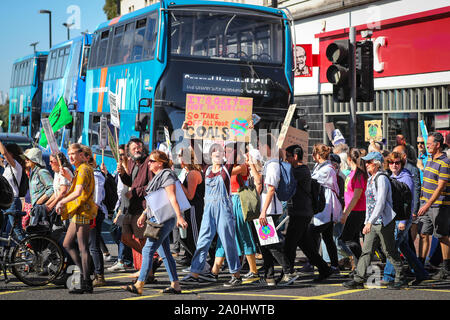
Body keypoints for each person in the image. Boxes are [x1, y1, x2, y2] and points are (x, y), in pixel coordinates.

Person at [122, 150, 188, 295]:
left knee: (147, 250)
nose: (149, 163)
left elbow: (172, 198)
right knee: (165, 253)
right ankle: (175, 285)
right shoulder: (158, 176)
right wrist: (144, 214)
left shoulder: (167, 175)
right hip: (155, 217)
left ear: (160, 163)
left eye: (151, 161)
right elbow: (157, 199)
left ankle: (140, 284)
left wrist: (179, 216)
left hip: (163, 219)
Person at [182, 143, 242, 287]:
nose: (219, 155)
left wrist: (244, 129)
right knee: (202, 241)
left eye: (222, 154)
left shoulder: (227, 169)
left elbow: (237, 146)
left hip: (224, 208)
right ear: (210, 156)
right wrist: (189, 130)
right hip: (208, 208)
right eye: (216, 153)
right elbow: (195, 147)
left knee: (228, 242)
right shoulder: (206, 169)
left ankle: (236, 275)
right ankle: (194, 273)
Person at [343, 151, 406, 290]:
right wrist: (367, 221)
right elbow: (369, 204)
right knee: (366, 251)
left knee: (389, 251)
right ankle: (358, 279)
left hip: (384, 222)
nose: (366, 165)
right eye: (366, 162)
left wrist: (370, 221)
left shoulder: (381, 178)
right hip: (373, 222)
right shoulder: (371, 179)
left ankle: (401, 276)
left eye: (369, 162)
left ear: (377, 164)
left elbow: (380, 203)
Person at [284, 145, 333, 282]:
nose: (285, 159)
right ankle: (324, 269)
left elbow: (286, 179)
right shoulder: (297, 169)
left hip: (301, 213)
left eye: (287, 156)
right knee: (305, 245)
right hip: (300, 212)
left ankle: (288, 272)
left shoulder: (300, 170)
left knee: (289, 244)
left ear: (295, 156)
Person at [211, 142, 259, 282]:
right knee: (223, 235)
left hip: (238, 200)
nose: (226, 154)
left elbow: (224, 172)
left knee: (244, 235)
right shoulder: (227, 165)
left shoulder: (241, 166)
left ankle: (254, 271)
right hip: (227, 201)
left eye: (229, 151)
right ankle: (215, 270)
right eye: (225, 151)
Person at [382, 151, 429, 286]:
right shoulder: (392, 177)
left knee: (393, 247)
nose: (394, 165)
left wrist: (403, 221)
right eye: (391, 163)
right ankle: (421, 272)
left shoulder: (406, 177)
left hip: (402, 218)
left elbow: (408, 201)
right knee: (403, 247)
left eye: (397, 163)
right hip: (395, 217)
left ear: (402, 164)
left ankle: (389, 276)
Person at [56, 143, 97, 294]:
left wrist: (61, 201)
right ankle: (85, 275)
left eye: (74, 153)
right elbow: (80, 185)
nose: (71, 156)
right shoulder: (81, 169)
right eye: (69, 154)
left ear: (81, 154)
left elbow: (79, 192)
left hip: (83, 211)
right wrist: (69, 177)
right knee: (67, 243)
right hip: (79, 212)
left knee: (83, 247)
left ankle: (86, 281)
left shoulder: (84, 169)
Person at [257, 134, 294, 286]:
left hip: (270, 209)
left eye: (260, 145)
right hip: (268, 208)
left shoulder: (272, 165)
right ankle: (269, 276)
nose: (259, 148)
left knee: (270, 243)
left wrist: (263, 212)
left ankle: (289, 271)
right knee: (265, 244)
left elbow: (271, 189)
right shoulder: (270, 163)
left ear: (267, 147)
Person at [117, 138, 154, 279]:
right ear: (129, 152)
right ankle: (151, 262)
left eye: (139, 147)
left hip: (143, 207)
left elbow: (151, 186)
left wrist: (134, 192)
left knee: (143, 240)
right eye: (134, 148)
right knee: (125, 238)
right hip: (131, 207)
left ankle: (148, 272)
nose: (137, 150)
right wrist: (122, 174)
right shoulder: (132, 162)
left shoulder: (148, 163)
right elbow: (130, 181)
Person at [417, 132, 450, 280]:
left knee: (442, 236)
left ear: (438, 145)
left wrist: (428, 204)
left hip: (438, 205)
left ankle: (446, 268)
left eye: (429, 143)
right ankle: (420, 265)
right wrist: (422, 202)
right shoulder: (430, 159)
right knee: (423, 233)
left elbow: (441, 187)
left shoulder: (445, 162)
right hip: (426, 203)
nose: (426, 145)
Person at [310, 144, 342, 273]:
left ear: (318, 155)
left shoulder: (327, 169)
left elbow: (313, 180)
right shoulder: (321, 166)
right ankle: (334, 265)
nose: (312, 156)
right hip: (324, 205)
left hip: (326, 206)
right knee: (328, 237)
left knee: (312, 234)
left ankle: (319, 264)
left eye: (313, 153)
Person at [339, 148, 367, 273]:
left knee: (347, 239)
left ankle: (363, 263)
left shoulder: (359, 175)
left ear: (349, 159)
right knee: (353, 239)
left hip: (357, 211)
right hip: (351, 210)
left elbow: (356, 197)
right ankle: (358, 268)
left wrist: (346, 213)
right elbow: (348, 195)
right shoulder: (351, 174)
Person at [83, 147, 107, 287]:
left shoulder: (96, 174)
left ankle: (99, 275)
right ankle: (92, 271)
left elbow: (97, 198)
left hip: (94, 212)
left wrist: (91, 212)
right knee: (87, 244)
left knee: (93, 245)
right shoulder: (87, 172)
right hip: (87, 212)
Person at [177, 146, 205, 266]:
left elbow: (190, 195)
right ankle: (195, 263)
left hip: (194, 208)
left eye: (180, 156)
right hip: (189, 208)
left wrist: (178, 184)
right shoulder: (189, 172)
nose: (178, 159)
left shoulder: (193, 173)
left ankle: (199, 264)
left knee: (194, 237)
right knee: (188, 236)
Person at [107, 145, 133, 272]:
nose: (120, 157)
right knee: (114, 231)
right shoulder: (118, 169)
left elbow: (132, 185)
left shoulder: (129, 170)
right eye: (118, 155)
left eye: (122, 154)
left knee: (122, 232)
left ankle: (123, 260)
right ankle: (127, 257)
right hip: (119, 204)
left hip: (126, 206)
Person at [0, 141, 26, 240]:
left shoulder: (16, 166)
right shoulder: (7, 166)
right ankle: (4, 254)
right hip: (5, 202)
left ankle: (29, 253)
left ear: (11, 154)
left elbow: (4, 153)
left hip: (13, 202)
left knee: (17, 230)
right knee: (4, 232)